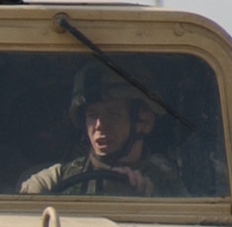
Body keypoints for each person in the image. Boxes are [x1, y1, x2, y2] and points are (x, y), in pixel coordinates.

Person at [21, 67, 184, 197]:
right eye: (92, 115)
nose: (99, 125)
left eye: (113, 114)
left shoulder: (169, 187)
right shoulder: (54, 180)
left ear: (144, 122)